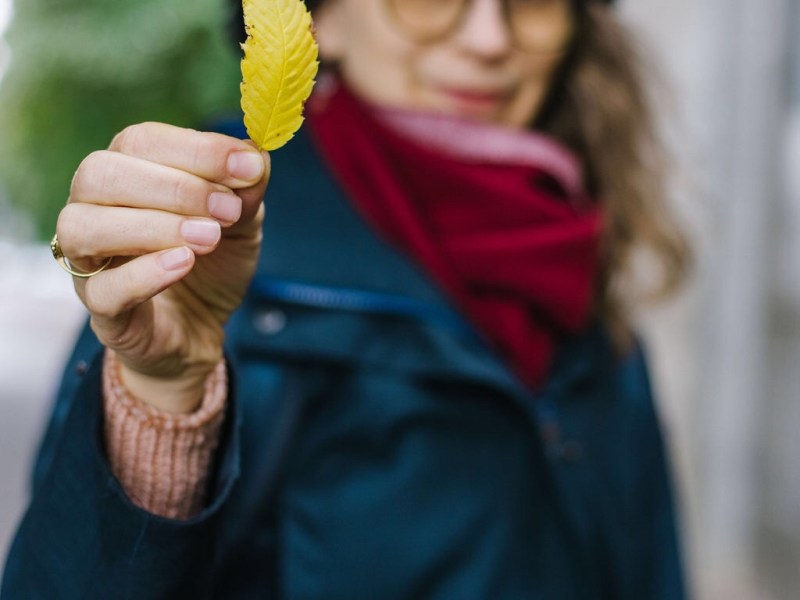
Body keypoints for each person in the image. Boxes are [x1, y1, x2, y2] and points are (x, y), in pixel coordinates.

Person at [2, 0, 690, 597]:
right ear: (320, 17)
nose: (489, 38)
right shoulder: (200, 260)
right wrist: (159, 404)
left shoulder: (584, 278)